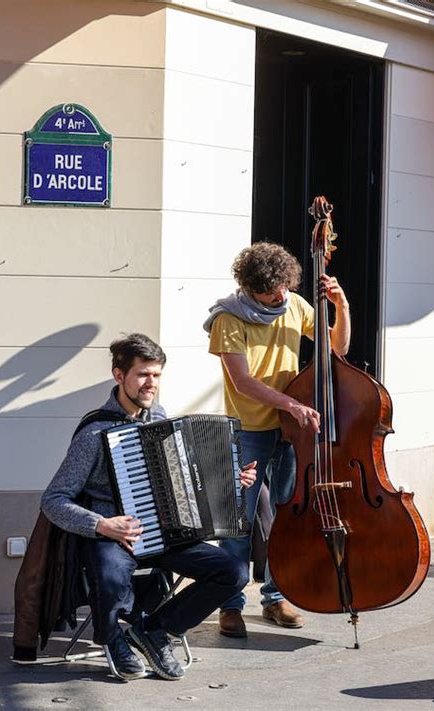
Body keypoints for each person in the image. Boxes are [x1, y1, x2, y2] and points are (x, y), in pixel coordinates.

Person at [41, 333, 256, 681]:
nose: (150, 383)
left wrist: (231, 482)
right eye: (142, 374)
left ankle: (154, 630)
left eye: (156, 375)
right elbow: (53, 500)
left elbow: (186, 482)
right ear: (119, 376)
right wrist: (102, 524)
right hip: (114, 538)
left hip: (165, 535)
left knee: (233, 572)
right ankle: (112, 636)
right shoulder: (94, 434)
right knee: (110, 574)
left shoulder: (160, 419)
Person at [204, 242, 351, 638]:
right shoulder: (229, 318)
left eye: (286, 287)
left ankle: (275, 596)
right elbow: (243, 381)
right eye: (273, 291)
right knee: (239, 522)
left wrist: (341, 306)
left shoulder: (295, 304)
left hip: (291, 432)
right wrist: (291, 403)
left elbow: (336, 349)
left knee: (287, 517)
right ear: (253, 288)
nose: (281, 295)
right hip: (247, 430)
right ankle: (230, 604)